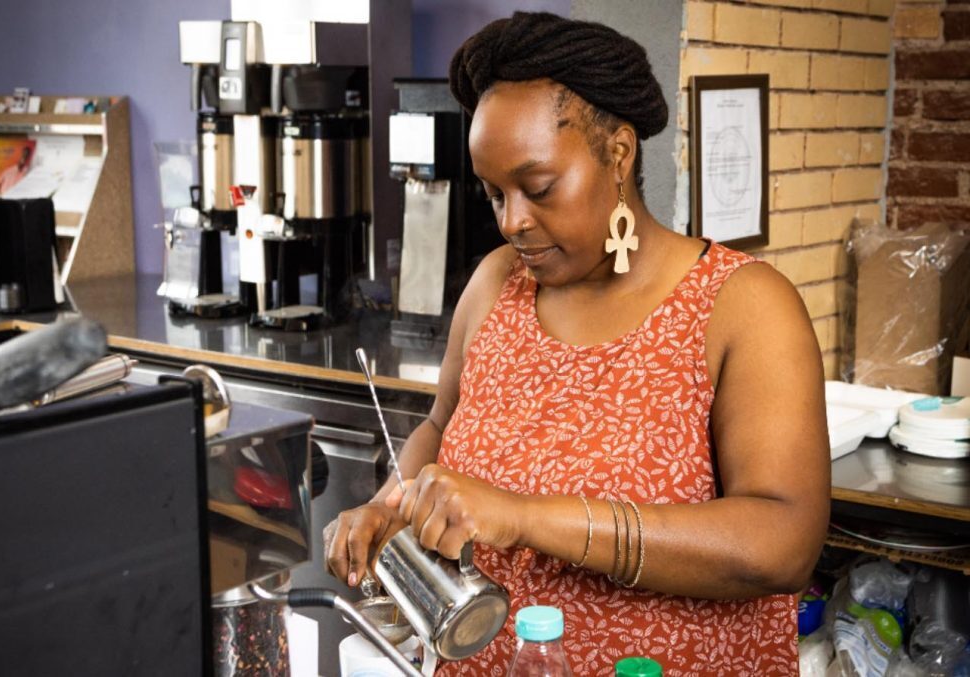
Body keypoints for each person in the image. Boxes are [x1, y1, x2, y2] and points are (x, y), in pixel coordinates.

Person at [326, 11, 829, 675]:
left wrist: (526, 517)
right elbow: (440, 425)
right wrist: (391, 503)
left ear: (618, 153)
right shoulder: (495, 285)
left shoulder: (743, 306)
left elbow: (782, 543)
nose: (512, 222)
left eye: (537, 188)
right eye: (493, 193)